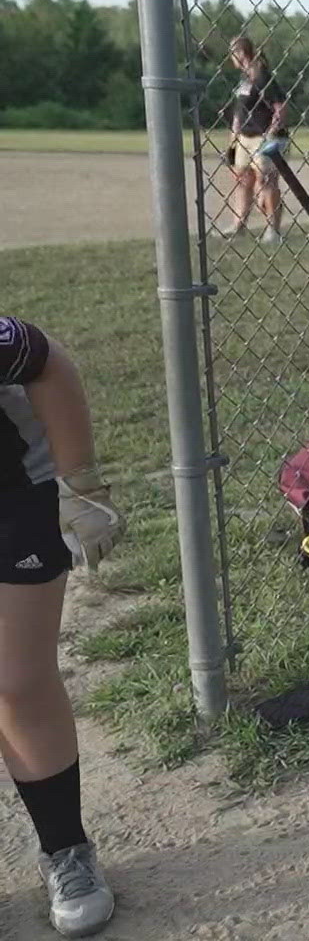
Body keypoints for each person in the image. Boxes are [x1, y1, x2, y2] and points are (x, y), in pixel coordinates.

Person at [1, 316, 125, 937]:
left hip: (11, 492)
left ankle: (66, 849)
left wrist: (80, 484)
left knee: (15, 682)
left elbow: (46, 361)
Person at [221, 36, 290, 244]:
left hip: (262, 136)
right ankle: (238, 225)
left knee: (266, 181)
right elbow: (239, 110)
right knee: (242, 180)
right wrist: (232, 141)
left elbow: (281, 106)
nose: (231, 57)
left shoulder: (262, 76)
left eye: (233, 53)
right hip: (243, 136)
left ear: (241, 53)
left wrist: (271, 133)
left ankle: (273, 230)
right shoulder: (244, 78)